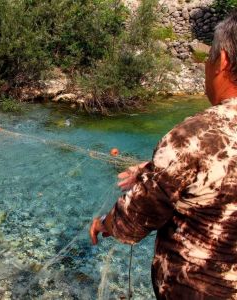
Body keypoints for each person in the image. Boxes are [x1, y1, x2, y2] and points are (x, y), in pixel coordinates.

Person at [90, 11, 237, 299]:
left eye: (208, 58)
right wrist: (153, 169)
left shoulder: (194, 136)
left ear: (222, 61)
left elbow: (133, 220)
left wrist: (104, 223)